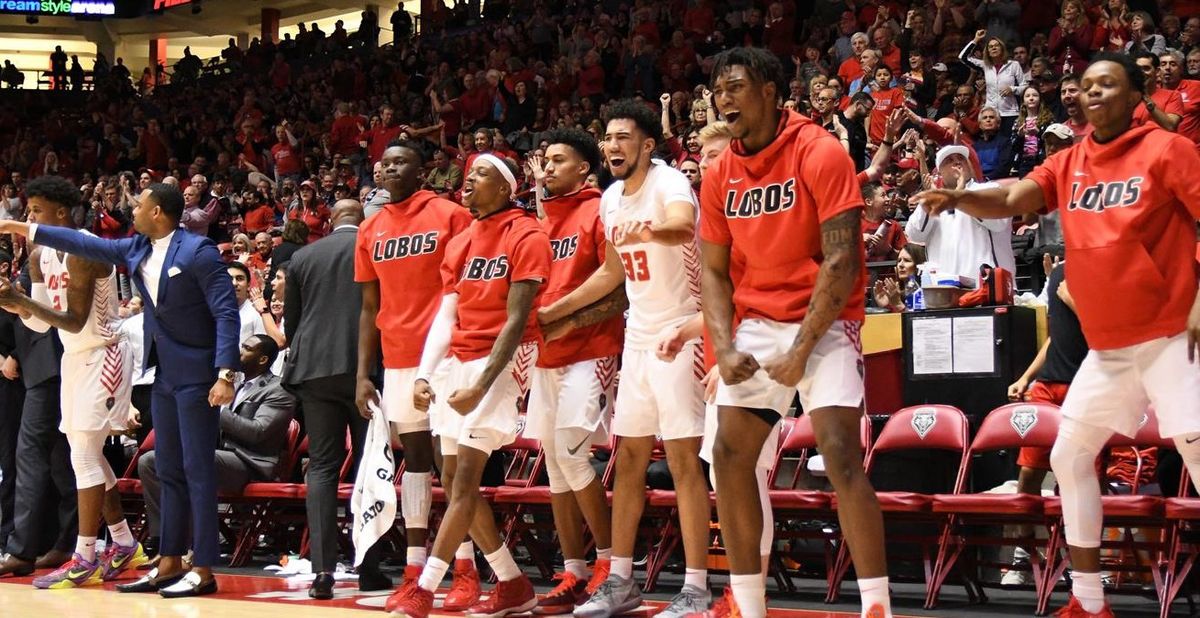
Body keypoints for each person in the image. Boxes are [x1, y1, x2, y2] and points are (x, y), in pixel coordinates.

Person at [912, 52, 1200, 618]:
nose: (1091, 94)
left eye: (1107, 84)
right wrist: (960, 196)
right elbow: (1015, 196)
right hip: (1109, 348)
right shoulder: (1069, 161)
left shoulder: (1169, 150)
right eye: (1085, 85)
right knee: (1069, 456)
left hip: (1169, 333)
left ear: (1136, 94)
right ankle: (1089, 602)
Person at [698, 47, 890, 618]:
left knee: (838, 454)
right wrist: (725, 345)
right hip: (758, 321)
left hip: (827, 322)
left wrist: (801, 350)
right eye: (717, 89)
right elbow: (711, 269)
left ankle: (876, 606)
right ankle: (750, 604)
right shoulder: (718, 173)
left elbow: (842, 262)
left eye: (734, 86)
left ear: (771, 92)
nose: (723, 98)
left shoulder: (820, 151)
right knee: (730, 455)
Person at [0, 183, 240, 598]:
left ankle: (203, 567)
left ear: (160, 213)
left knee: (197, 469)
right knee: (166, 468)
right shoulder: (137, 249)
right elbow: (76, 239)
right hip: (162, 371)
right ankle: (167, 561)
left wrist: (226, 375)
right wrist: (21, 227)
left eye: (140, 206)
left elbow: (224, 312)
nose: (133, 211)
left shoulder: (198, 252)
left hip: (199, 374)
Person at [544, 100, 710, 618]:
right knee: (629, 458)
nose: (612, 145)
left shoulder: (668, 184)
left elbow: (683, 226)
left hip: (682, 329)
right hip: (638, 336)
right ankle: (620, 580)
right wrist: (556, 309)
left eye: (623, 137)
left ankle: (697, 587)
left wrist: (652, 231)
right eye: (608, 137)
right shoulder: (611, 197)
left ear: (646, 144)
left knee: (683, 461)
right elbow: (612, 272)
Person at [388, 155, 551, 618]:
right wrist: (424, 372)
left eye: (480, 175)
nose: (468, 180)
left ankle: (425, 588)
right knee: (456, 479)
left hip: (504, 360)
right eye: (468, 174)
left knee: (462, 485)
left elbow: (517, 322)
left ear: (504, 188)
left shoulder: (528, 235)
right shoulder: (460, 242)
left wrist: (482, 385)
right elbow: (446, 316)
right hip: (459, 361)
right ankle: (513, 583)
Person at [0, 176, 144, 589]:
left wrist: (21, 301)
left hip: (106, 351)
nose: (30, 220)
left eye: (37, 212)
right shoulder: (39, 252)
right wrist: (14, 303)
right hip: (74, 355)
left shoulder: (84, 249)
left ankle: (85, 555)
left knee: (82, 453)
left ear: (60, 214)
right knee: (86, 451)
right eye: (28, 212)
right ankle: (122, 541)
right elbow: (41, 322)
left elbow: (76, 319)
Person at [352, 142, 475, 610]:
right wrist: (365, 373)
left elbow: (469, 286)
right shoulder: (370, 228)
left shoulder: (450, 215)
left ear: (423, 170)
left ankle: (464, 567)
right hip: (398, 357)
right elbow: (368, 307)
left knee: (452, 464)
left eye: (401, 160)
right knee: (417, 461)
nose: (390, 167)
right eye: (384, 162)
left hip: (445, 356)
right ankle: (415, 566)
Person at [524, 129, 623, 614]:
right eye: (544, 161)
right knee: (557, 469)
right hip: (546, 354)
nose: (547, 169)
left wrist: (558, 312)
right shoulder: (544, 223)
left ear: (584, 168)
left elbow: (616, 275)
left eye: (558, 161)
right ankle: (574, 571)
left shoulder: (600, 209)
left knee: (573, 455)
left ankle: (609, 567)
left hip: (591, 347)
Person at [283, 199, 393, 597]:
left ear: (330, 222)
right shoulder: (375, 247)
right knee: (370, 467)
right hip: (365, 370)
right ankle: (369, 567)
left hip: (313, 370)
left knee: (323, 469)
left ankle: (323, 572)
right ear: (363, 220)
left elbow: (291, 323)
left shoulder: (303, 255)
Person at [138, 334, 294, 557]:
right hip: (218, 455)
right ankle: (163, 537)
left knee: (194, 461)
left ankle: (193, 545)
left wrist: (218, 410)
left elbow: (258, 432)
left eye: (247, 348)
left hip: (250, 463)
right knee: (151, 461)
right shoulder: (232, 383)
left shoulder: (278, 389)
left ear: (262, 359)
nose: (239, 351)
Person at [1000, 259, 1086, 586]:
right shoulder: (1061, 273)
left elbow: (1111, 329)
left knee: (1081, 476)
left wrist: (1071, 300)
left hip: (1086, 385)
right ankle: (1024, 557)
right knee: (1028, 474)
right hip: (1048, 387)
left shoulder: (1104, 269)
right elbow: (1056, 336)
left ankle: (1087, 564)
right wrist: (1026, 377)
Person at [905, 144, 1016, 279]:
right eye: (949, 160)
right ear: (939, 173)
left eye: (961, 158)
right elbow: (915, 235)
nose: (957, 162)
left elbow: (998, 223)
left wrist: (962, 195)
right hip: (945, 289)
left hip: (988, 288)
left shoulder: (991, 189)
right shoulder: (934, 199)